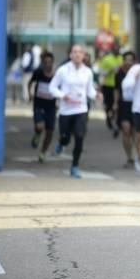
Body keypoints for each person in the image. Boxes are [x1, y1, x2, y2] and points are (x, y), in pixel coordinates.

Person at [49, 44, 99, 178]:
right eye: (74, 52)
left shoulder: (88, 72)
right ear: (70, 55)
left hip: (81, 109)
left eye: (80, 52)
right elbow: (52, 87)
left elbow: (90, 90)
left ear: (84, 56)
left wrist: (96, 95)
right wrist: (62, 95)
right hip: (66, 111)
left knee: (79, 136)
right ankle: (61, 143)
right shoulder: (63, 70)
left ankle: (75, 166)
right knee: (65, 138)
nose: (77, 55)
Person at [28, 51, 58, 162]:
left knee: (50, 131)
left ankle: (43, 152)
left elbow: (61, 88)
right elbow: (30, 83)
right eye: (45, 62)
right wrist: (30, 94)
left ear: (53, 62)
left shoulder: (56, 75)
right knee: (40, 126)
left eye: (50, 62)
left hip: (51, 106)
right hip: (39, 104)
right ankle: (37, 134)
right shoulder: (38, 73)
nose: (48, 64)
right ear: (42, 63)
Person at [115, 51, 137, 169]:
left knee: (135, 132)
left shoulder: (138, 73)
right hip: (123, 105)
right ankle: (129, 157)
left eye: (130, 60)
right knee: (126, 130)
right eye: (126, 60)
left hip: (136, 105)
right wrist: (115, 104)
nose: (128, 62)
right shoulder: (119, 73)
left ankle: (138, 155)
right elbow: (117, 90)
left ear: (134, 61)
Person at [97, 47, 123, 136]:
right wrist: (110, 70)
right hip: (108, 85)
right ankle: (109, 118)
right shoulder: (106, 59)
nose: (117, 50)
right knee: (109, 104)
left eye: (118, 49)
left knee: (117, 105)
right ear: (112, 50)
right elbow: (101, 72)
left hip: (118, 85)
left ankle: (115, 120)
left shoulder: (121, 58)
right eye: (116, 49)